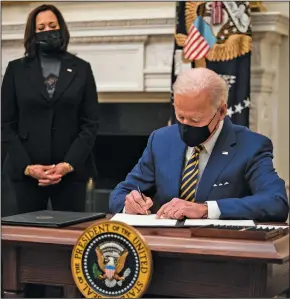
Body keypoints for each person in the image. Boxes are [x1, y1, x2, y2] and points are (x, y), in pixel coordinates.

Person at [109, 68, 289, 222]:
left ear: (221, 111)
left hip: (222, 250)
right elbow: (120, 193)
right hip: (163, 245)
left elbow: (276, 202)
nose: (186, 125)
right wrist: (130, 204)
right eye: (180, 117)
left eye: (195, 119)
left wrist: (205, 210)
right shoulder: (161, 140)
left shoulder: (251, 145)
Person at [1, 4, 99, 214]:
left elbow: (90, 123)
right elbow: (5, 123)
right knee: (24, 240)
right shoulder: (15, 69)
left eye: (52, 25)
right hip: (25, 174)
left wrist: (68, 164)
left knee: (70, 240)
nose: (48, 31)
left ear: (61, 28)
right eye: (41, 27)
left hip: (71, 173)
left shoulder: (82, 68)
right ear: (33, 33)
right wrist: (28, 167)